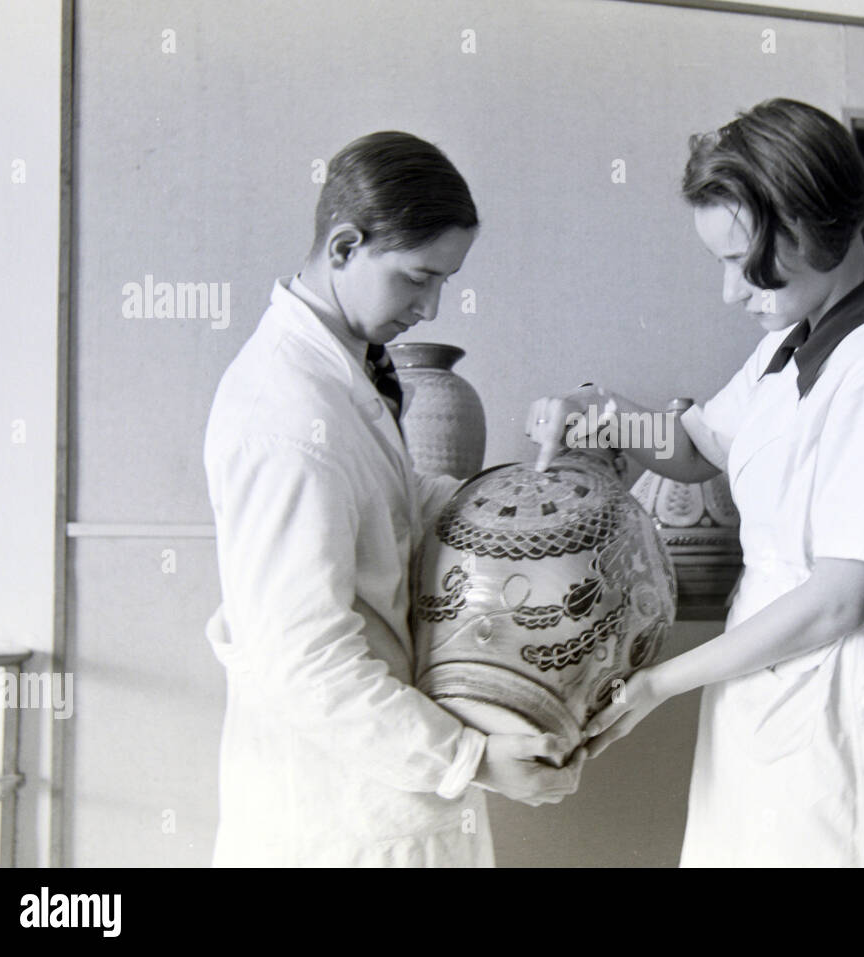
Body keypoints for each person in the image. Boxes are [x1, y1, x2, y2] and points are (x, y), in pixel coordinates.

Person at [529, 99, 864, 867]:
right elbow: (701, 444)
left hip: (848, 689)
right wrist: (598, 415)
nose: (730, 292)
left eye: (740, 260)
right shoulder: (792, 344)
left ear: (806, 228)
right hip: (770, 678)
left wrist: (657, 683)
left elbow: (838, 598)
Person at [204, 131, 583, 867]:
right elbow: (305, 659)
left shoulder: (343, 373)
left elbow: (393, 503)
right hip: (332, 818)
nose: (433, 305)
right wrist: (472, 758)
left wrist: (524, 497)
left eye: (445, 279)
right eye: (418, 277)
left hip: (377, 803)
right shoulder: (284, 414)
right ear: (344, 246)